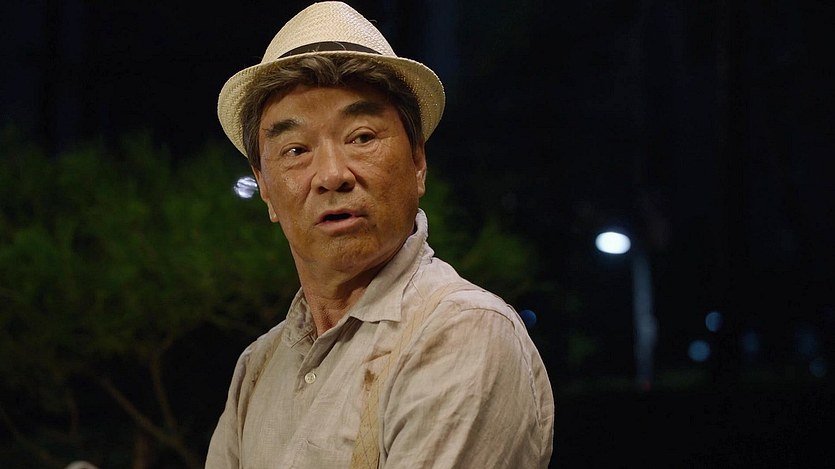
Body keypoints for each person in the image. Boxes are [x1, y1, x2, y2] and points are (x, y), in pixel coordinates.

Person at [207, 2, 554, 468]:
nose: (332, 175)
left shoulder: (462, 332)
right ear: (265, 188)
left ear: (418, 162)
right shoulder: (257, 367)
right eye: (295, 149)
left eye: (362, 137)